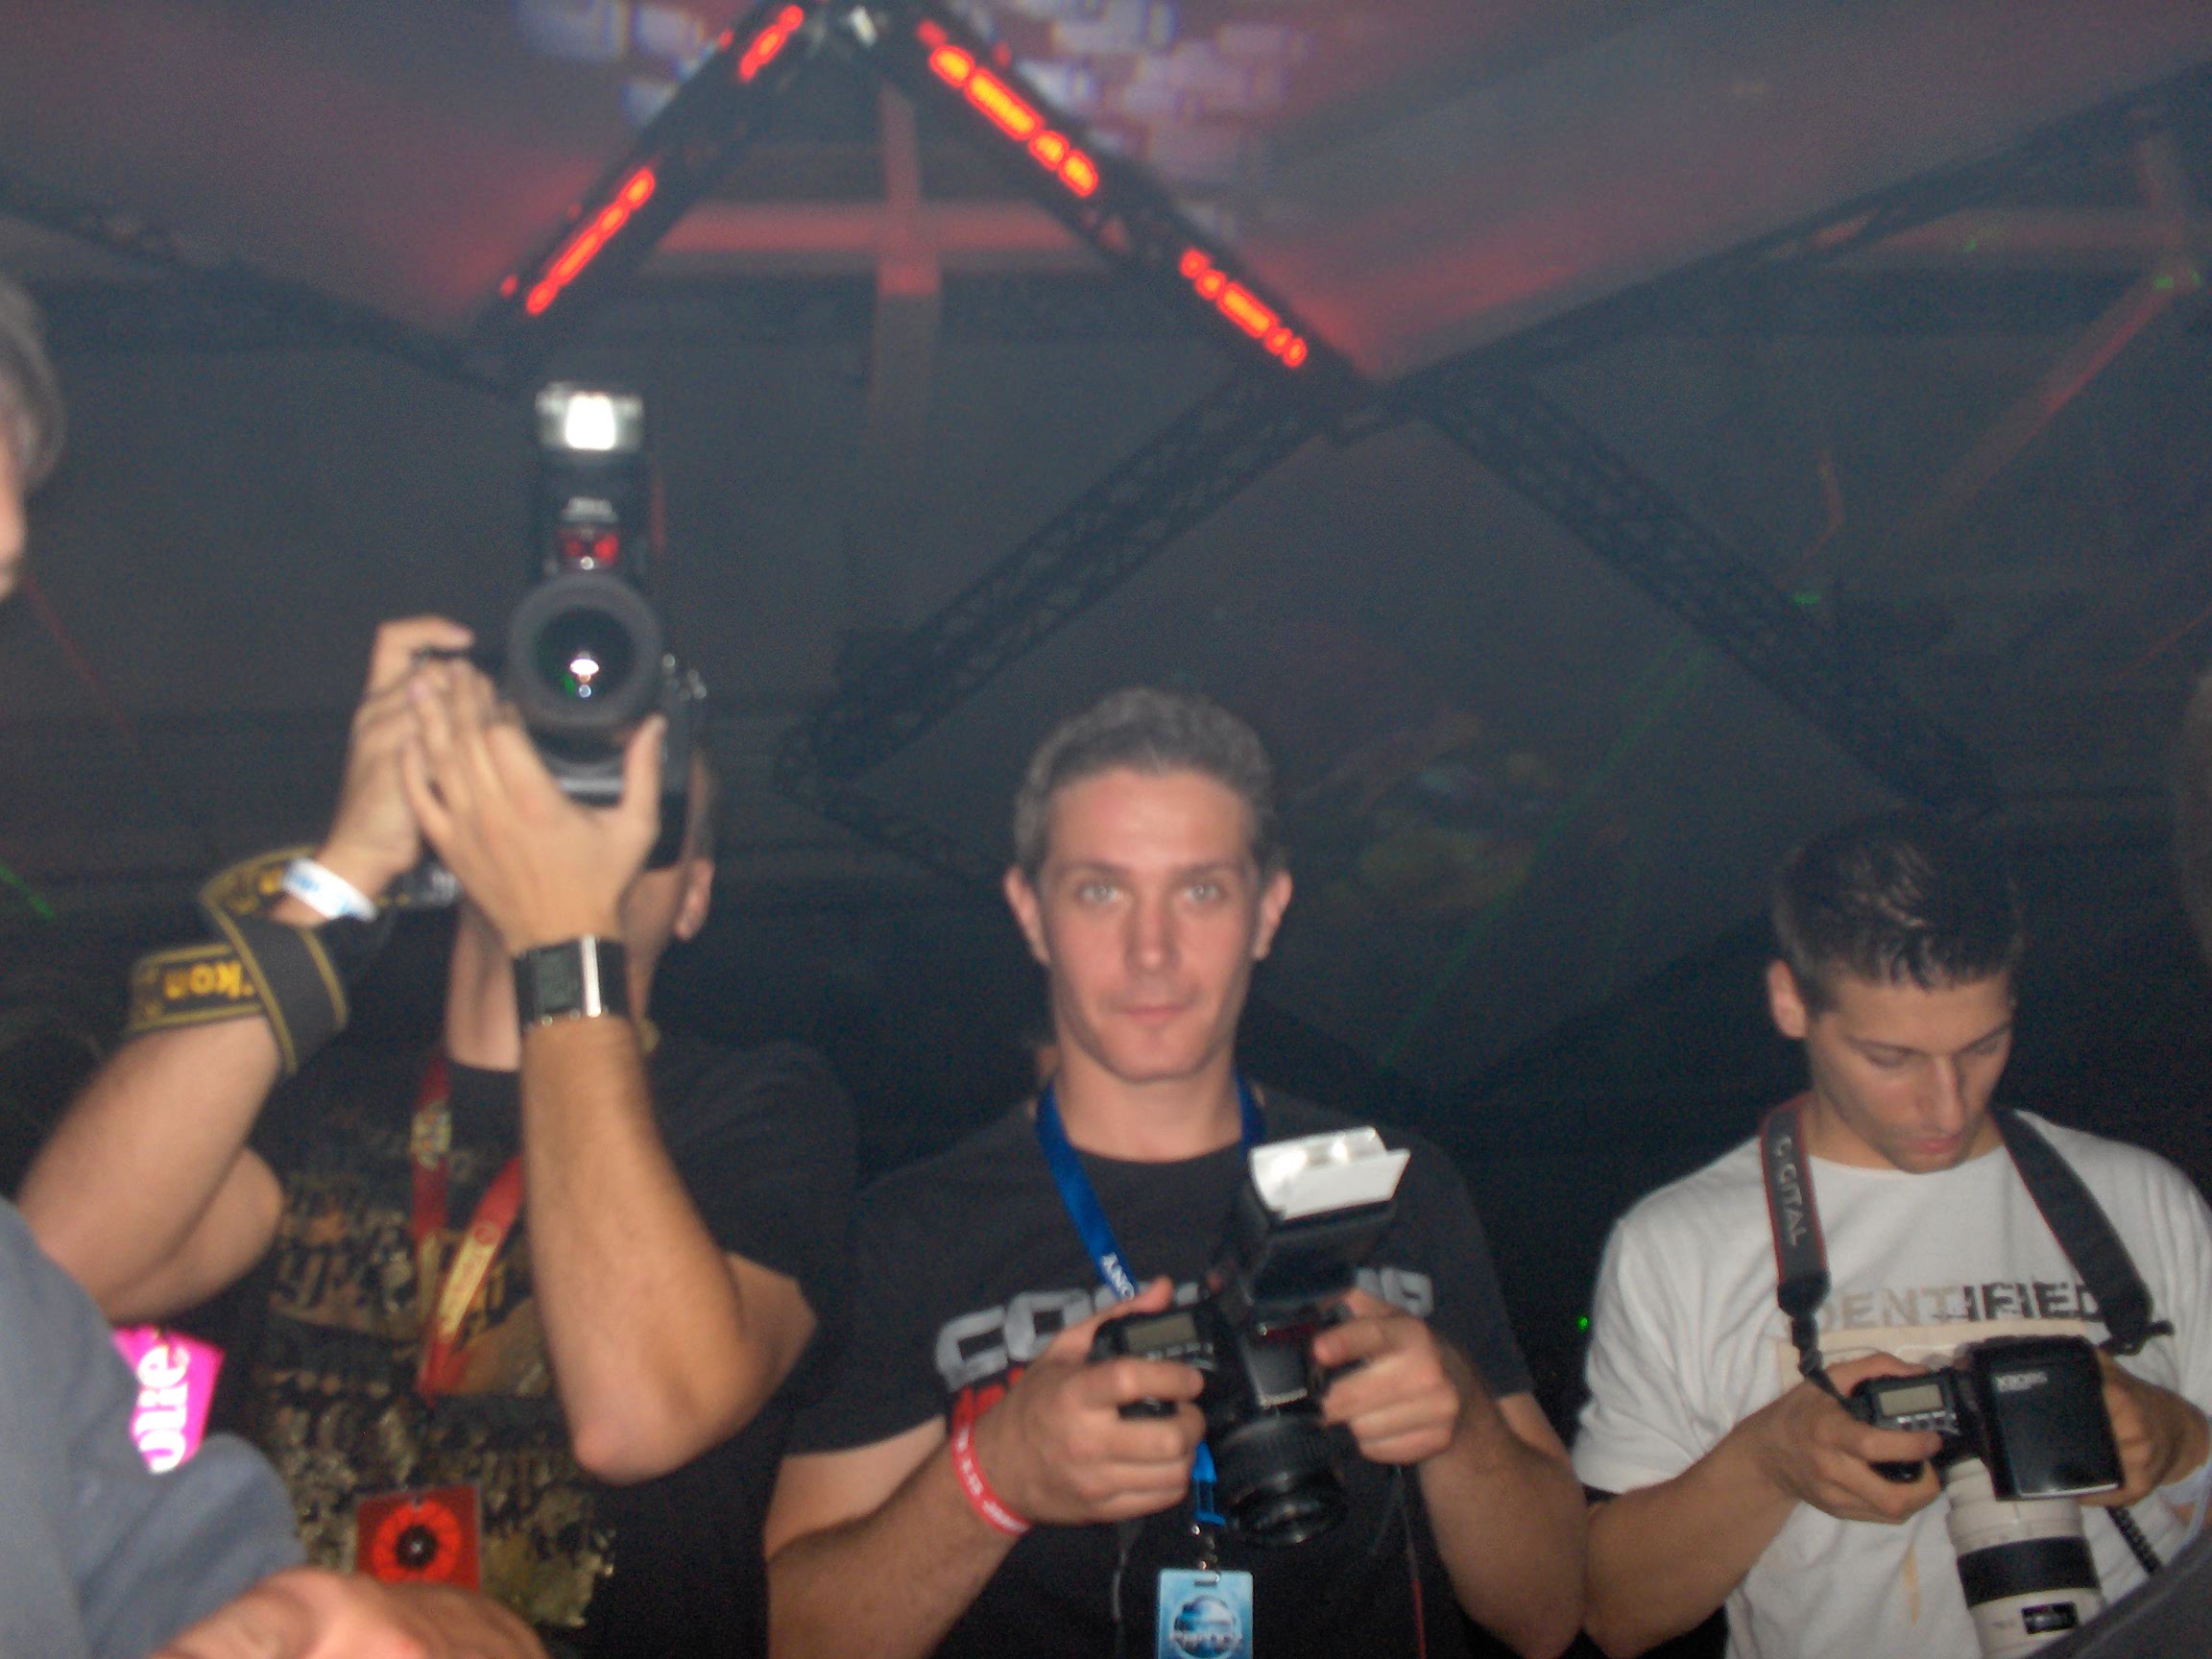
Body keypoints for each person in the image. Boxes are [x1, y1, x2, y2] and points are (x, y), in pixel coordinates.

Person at [21, 618, 853, 1647]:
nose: (579, 820)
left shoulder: (758, 1110)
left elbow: (639, 1415)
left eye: (645, 805)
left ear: (695, 897)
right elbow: (52, 1273)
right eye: (548, 781)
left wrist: (563, 936)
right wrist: (347, 866)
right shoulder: (318, 1102)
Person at [763, 686, 1585, 1659]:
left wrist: (1462, 1423)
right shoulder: (914, 1228)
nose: (1150, 951)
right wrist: (993, 1479)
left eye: (1200, 891)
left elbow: (1550, 1617)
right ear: (1030, 913)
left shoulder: (1394, 1184)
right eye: (1100, 891)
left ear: (1267, 911)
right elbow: (792, 1637)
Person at [0, 272, 541, 1658]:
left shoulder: (759, 1114)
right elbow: (78, 1256)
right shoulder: (330, 1123)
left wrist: (366, 1629)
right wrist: (343, 877)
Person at [1575, 810, 2212, 1659]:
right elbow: (1612, 1613)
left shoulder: (2140, 1199)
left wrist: (2177, 1437)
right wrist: (1772, 1458)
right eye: (1892, 1059)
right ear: (1790, 1001)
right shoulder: (1678, 1245)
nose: (1947, 1104)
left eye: (1983, 1046)